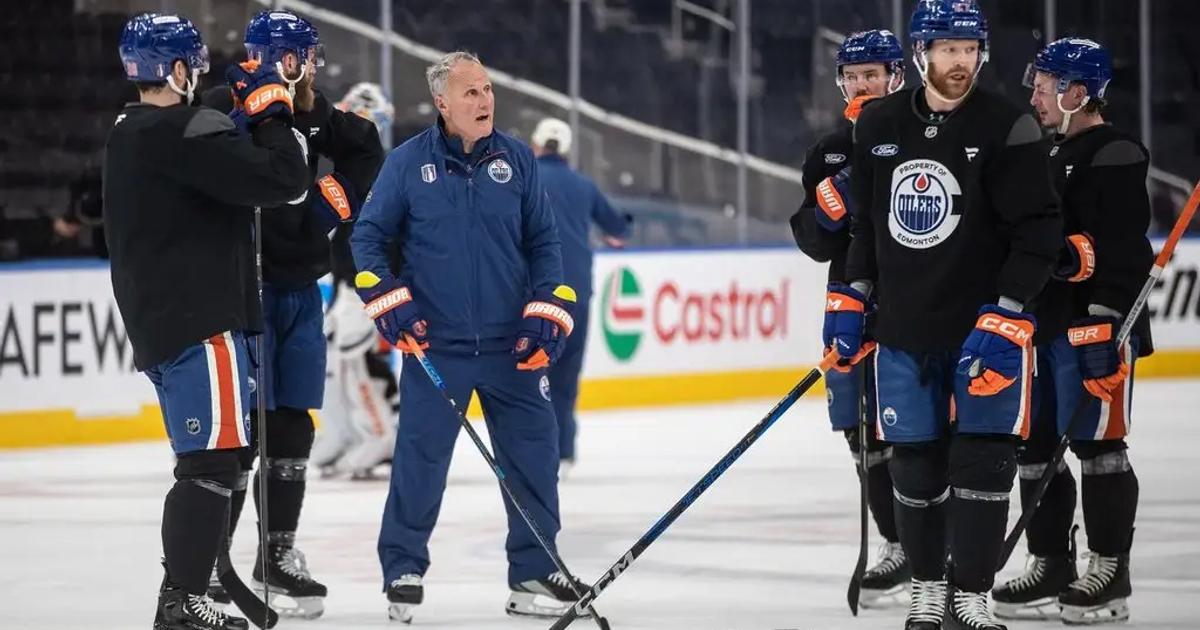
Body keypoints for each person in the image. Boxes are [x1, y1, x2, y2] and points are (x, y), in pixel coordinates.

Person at [832, 1, 1062, 628]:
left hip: (985, 330)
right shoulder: (878, 124)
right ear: (921, 54)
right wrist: (852, 297)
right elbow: (866, 226)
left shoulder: (1009, 125)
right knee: (914, 464)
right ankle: (928, 590)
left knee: (985, 461)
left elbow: (1039, 231)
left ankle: (972, 595)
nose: (961, 61)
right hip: (905, 330)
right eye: (948, 49)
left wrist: (1008, 310)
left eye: (970, 49)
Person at [350, 51, 587, 623]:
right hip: (437, 347)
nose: (484, 101)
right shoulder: (408, 163)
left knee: (535, 458)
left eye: (487, 89)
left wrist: (546, 306)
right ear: (442, 103)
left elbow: (544, 242)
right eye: (471, 92)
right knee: (420, 462)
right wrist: (389, 299)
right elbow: (368, 239)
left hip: (514, 349)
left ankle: (534, 569)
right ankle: (403, 567)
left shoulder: (517, 159)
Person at [104, 12, 309, 630]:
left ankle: (185, 595)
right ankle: (182, 601)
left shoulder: (131, 130)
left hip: (168, 323)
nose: (197, 73)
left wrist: (234, 125)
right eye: (192, 64)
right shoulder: (181, 131)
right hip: (202, 323)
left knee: (218, 458)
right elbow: (286, 179)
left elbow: (216, 170)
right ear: (176, 69)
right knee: (212, 465)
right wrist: (272, 111)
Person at [200, 9, 384, 619]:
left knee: (292, 428)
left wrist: (328, 209)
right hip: (239, 294)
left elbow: (366, 148)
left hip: (300, 292)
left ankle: (276, 554)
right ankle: (212, 561)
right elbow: (190, 167)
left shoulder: (314, 110)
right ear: (282, 57)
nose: (312, 67)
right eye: (304, 56)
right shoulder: (222, 104)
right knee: (240, 433)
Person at [991, 38, 1152, 626]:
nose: (1034, 96)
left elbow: (1122, 249)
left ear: (1077, 92)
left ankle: (1110, 570)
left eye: (1044, 87)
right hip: (1041, 324)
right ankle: (1050, 563)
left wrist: (1105, 319)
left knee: (1098, 447)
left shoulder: (1115, 152)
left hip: (1092, 327)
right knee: (1034, 447)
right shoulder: (1044, 151)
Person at [790, 28, 910, 611]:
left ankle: (931, 546)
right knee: (862, 435)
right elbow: (815, 243)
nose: (862, 84)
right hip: (850, 309)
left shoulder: (927, 137)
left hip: (916, 306)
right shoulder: (831, 151)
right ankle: (897, 543)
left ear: (896, 77)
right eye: (853, 75)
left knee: (916, 429)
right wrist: (829, 206)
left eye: (872, 74)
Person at [311, 81, 402, 481]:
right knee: (336, 362)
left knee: (357, 361)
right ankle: (346, 435)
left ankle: (379, 434)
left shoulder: (386, 171)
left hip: (366, 285)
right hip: (349, 283)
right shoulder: (356, 166)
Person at [530, 116, 630, 477]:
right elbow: (618, 229)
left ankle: (532, 449)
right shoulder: (584, 185)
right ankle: (564, 451)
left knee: (530, 372)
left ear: (536, 145)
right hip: (576, 292)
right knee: (566, 374)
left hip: (534, 292)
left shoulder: (524, 180)